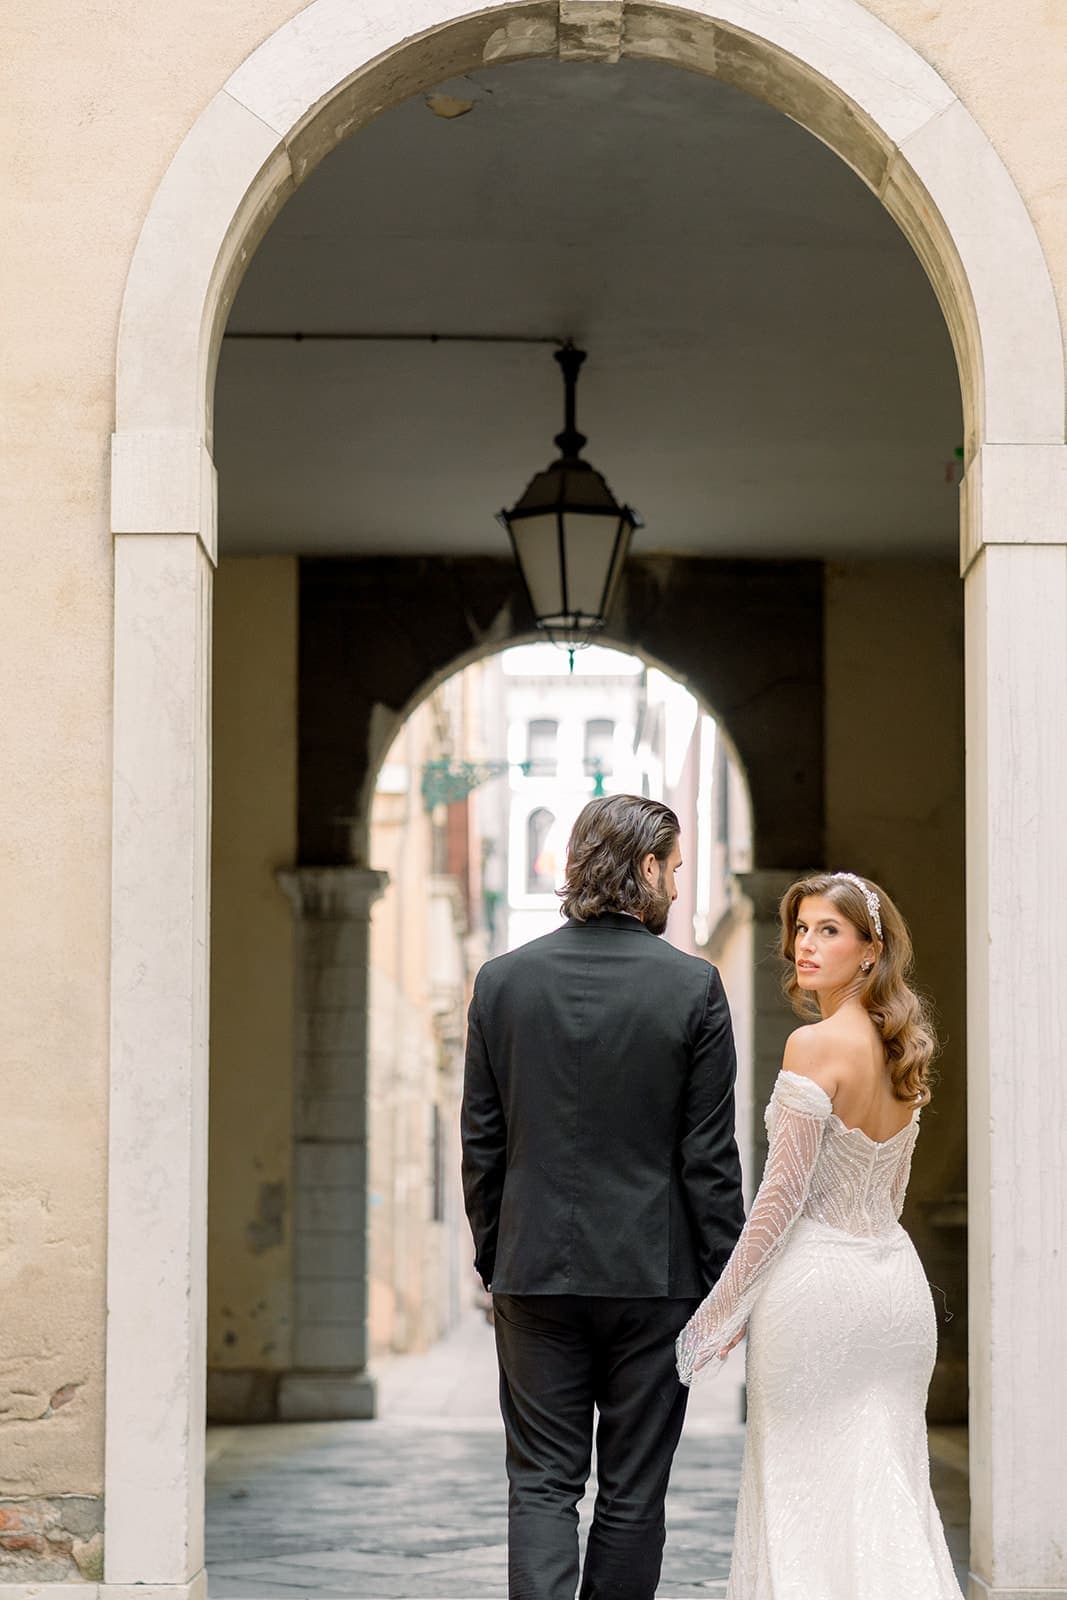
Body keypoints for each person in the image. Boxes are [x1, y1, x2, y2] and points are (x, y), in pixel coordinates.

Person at [462, 794, 745, 1600]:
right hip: (653, 1281)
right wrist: (727, 1285)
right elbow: (707, 1161)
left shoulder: (502, 983)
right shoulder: (693, 988)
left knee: (542, 1483)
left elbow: (482, 1145)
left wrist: (497, 1255)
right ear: (647, 868)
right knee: (631, 1491)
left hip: (532, 1271)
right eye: (676, 870)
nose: (679, 888)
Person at [676, 871, 963, 1599]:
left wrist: (721, 1310)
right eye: (800, 929)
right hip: (893, 1290)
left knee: (803, 1497)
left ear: (870, 951)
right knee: (886, 1489)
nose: (804, 945)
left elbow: (779, 1200)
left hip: (816, 1295)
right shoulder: (900, 1049)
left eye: (827, 931)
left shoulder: (813, 1046)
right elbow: (887, 1195)